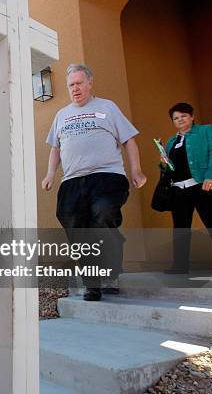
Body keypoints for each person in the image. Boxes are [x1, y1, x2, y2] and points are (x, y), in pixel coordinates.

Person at [41, 64, 146, 301]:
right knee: (73, 224)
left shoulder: (107, 107)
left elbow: (129, 140)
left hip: (107, 176)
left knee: (102, 213)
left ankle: (109, 274)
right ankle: (93, 282)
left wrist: (136, 170)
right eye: (71, 85)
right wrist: (50, 174)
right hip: (73, 180)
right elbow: (55, 149)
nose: (75, 88)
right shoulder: (61, 115)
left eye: (79, 83)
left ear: (90, 83)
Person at [162, 102, 212, 274]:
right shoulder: (171, 141)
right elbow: (172, 167)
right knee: (180, 228)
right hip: (179, 189)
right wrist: (164, 163)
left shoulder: (206, 130)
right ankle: (180, 265)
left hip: (203, 185)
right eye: (175, 118)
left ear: (192, 117)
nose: (180, 120)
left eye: (183, 116)